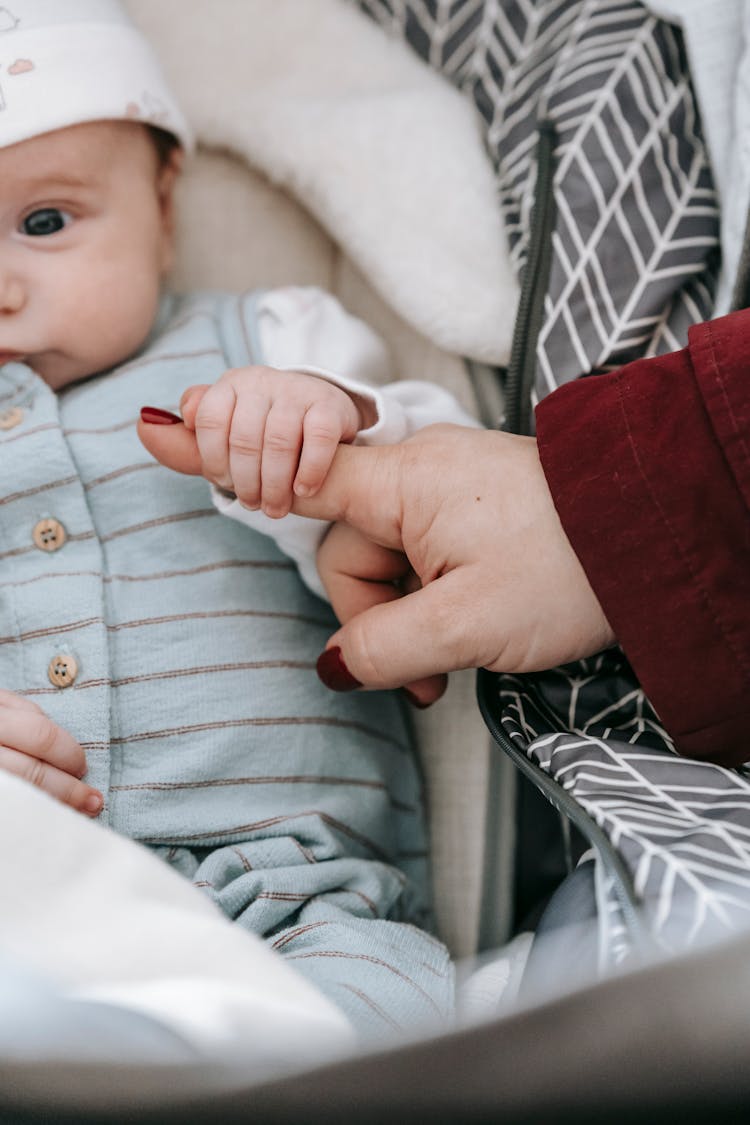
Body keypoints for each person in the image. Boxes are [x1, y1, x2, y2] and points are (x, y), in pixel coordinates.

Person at [0, 0, 483, 1039]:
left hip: (294, 894)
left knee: (372, 1025)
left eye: (46, 224)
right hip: (29, 896)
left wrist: (326, 423)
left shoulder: (267, 341)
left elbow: (451, 498)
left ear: (165, 208)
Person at [142, 312, 750, 770]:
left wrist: (318, 420)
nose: (38, 284)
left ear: (165, 195)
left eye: (50, 222)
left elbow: (442, 450)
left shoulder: (266, 324)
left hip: (307, 863)